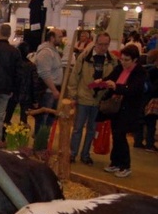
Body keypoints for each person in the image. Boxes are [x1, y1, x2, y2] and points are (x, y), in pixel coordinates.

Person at [67, 32, 118, 165]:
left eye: (106, 44)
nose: (103, 47)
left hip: (99, 100)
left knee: (92, 129)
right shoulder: (84, 57)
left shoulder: (112, 60)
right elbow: (74, 76)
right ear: (95, 43)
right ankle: (72, 153)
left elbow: (114, 78)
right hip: (83, 97)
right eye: (100, 44)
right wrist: (73, 95)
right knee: (78, 127)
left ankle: (85, 154)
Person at [99, 44, 148, 178]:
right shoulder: (119, 68)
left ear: (135, 60)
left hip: (129, 109)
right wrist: (101, 83)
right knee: (115, 135)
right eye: (122, 59)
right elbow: (110, 78)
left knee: (121, 135)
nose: (124, 62)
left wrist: (116, 87)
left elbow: (133, 90)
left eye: (127, 60)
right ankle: (115, 162)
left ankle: (125, 165)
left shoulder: (140, 73)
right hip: (116, 107)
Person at [3, 42, 40, 134]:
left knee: (7, 116)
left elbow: (9, 78)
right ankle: (21, 138)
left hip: (13, 93)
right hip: (26, 95)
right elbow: (35, 83)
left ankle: (3, 135)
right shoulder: (31, 66)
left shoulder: (13, 64)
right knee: (24, 119)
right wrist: (35, 100)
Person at [34, 27, 64, 138]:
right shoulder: (45, 53)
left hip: (53, 90)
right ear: (52, 38)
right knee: (43, 119)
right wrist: (54, 90)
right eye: (59, 37)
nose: (62, 39)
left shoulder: (53, 51)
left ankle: (44, 142)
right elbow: (44, 73)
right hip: (48, 91)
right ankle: (39, 144)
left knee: (49, 120)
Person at [135, 49, 158, 152]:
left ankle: (138, 142)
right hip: (152, 100)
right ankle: (149, 144)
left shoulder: (146, 70)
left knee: (142, 121)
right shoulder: (154, 72)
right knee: (151, 123)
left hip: (144, 98)